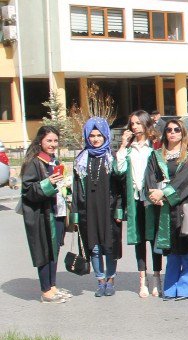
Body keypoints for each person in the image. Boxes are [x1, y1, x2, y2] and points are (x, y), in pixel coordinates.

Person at [145, 118, 188, 300]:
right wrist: (154, 195)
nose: (173, 132)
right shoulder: (156, 155)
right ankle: (170, 287)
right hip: (163, 207)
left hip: (183, 205)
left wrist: (164, 194)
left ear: (182, 133)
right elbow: (149, 177)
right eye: (169, 130)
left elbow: (186, 180)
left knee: (186, 245)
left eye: (177, 129)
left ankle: (186, 288)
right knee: (170, 246)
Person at [71, 117, 123, 297]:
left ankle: (110, 280)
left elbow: (120, 187)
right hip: (89, 210)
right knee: (93, 247)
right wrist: (76, 215)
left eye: (99, 135)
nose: (95, 139)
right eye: (92, 135)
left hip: (108, 209)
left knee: (109, 246)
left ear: (105, 136)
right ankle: (100, 281)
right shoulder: (80, 160)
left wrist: (119, 208)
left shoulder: (113, 157)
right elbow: (77, 190)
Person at [21, 126, 71, 303]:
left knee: (54, 251)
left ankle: (52, 286)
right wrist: (48, 183)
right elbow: (28, 190)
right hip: (41, 215)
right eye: (49, 140)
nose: (53, 144)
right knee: (44, 251)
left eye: (55, 141)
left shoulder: (53, 160)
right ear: (40, 140)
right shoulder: (33, 162)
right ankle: (45, 291)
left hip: (56, 212)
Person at [115, 110, 162, 297]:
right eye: (132, 123)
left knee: (155, 238)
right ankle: (142, 278)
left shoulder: (155, 145)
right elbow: (119, 170)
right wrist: (122, 145)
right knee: (139, 238)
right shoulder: (128, 148)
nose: (134, 127)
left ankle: (157, 276)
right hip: (134, 198)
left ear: (146, 124)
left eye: (138, 123)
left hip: (151, 197)